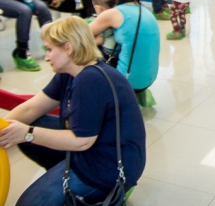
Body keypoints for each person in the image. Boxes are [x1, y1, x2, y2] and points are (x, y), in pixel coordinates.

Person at [0, 17, 146, 205]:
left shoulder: (91, 80)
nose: (46, 57)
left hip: (108, 168)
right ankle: (63, 178)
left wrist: (27, 134)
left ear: (68, 48)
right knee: (33, 123)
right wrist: (3, 128)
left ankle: (95, 192)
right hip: (95, 147)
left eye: (49, 49)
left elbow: (82, 141)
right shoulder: (71, 72)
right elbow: (32, 107)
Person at [89, 0, 160, 100]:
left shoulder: (115, 13)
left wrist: (97, 40)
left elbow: (79, 34)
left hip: (129, 81)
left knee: (83, 50)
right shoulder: (146, 12)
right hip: (149, 79)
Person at [87, 0, 118, 65]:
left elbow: (99, 40)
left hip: (107, 52)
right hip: (118, 52)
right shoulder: (116, 15)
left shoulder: (104, 20)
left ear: (98, 8)